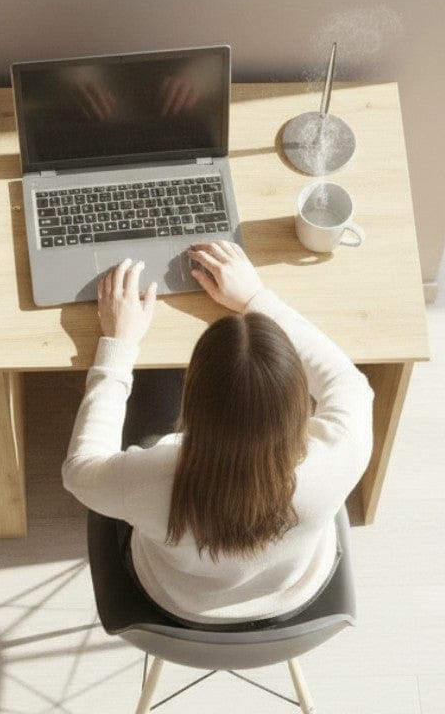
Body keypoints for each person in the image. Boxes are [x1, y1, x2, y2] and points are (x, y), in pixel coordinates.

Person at [61, 241, 374, 627]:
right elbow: (347, 380)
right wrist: (257, 298)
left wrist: (118, 346)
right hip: (296, 597)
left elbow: (80, 470)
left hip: (179, 604)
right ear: (298, 401)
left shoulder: (147, 481)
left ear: (190, 403)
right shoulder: (341, 451)